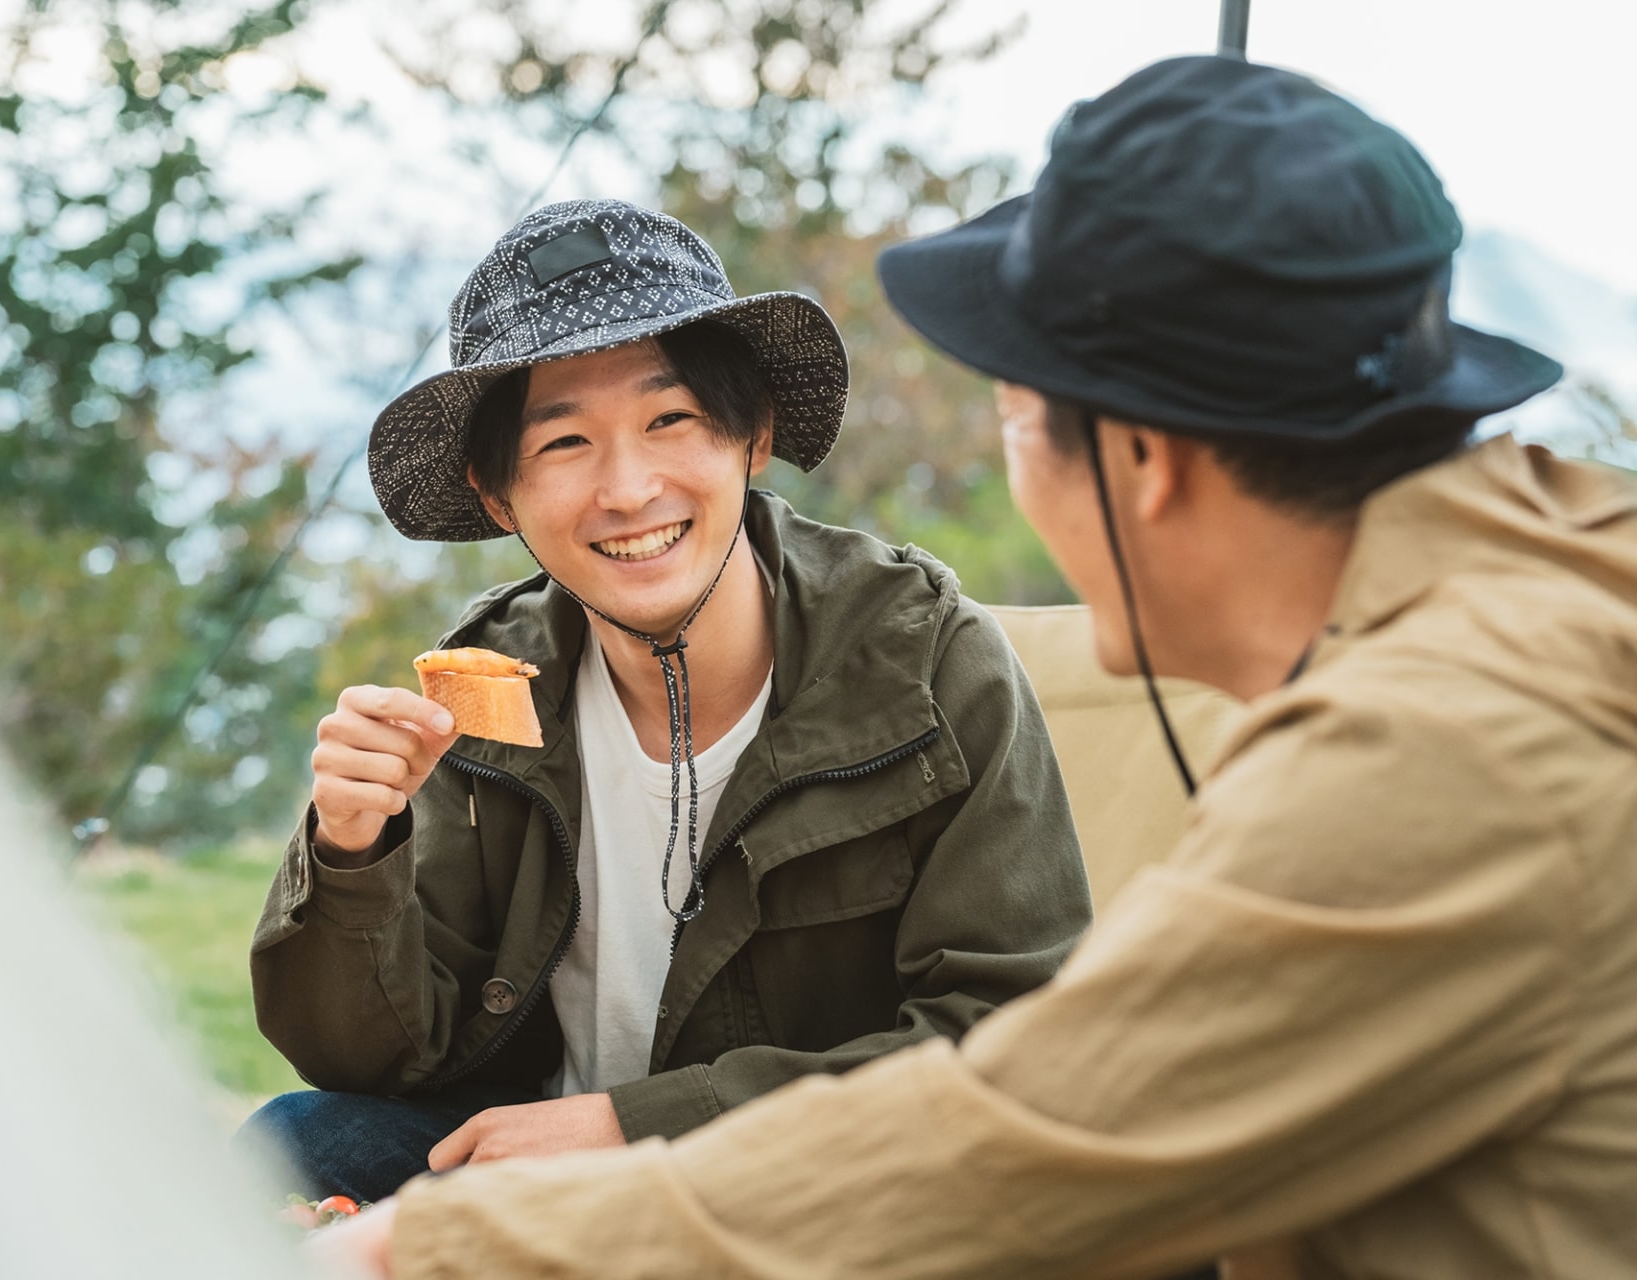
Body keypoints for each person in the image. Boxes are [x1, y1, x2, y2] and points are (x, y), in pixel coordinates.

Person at [308, 56, 1637, 1277]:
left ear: (1142, 463)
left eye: (1013, 420)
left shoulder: (1443, 751)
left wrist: (429, 1254)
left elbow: (1018, 1136)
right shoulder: (1542, 584)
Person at [240, 198, 1091, 1202]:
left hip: (818, 1192)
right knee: (294, 1147)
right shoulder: (487, 688)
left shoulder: (927, 663)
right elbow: (371, 1059)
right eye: (564, 443)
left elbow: (1011, 1039)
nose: (629, 488)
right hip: (555, 1191)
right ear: (498, 492)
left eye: (670, 418)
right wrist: (350, 850)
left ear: (752, 434)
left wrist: (631, 1126)